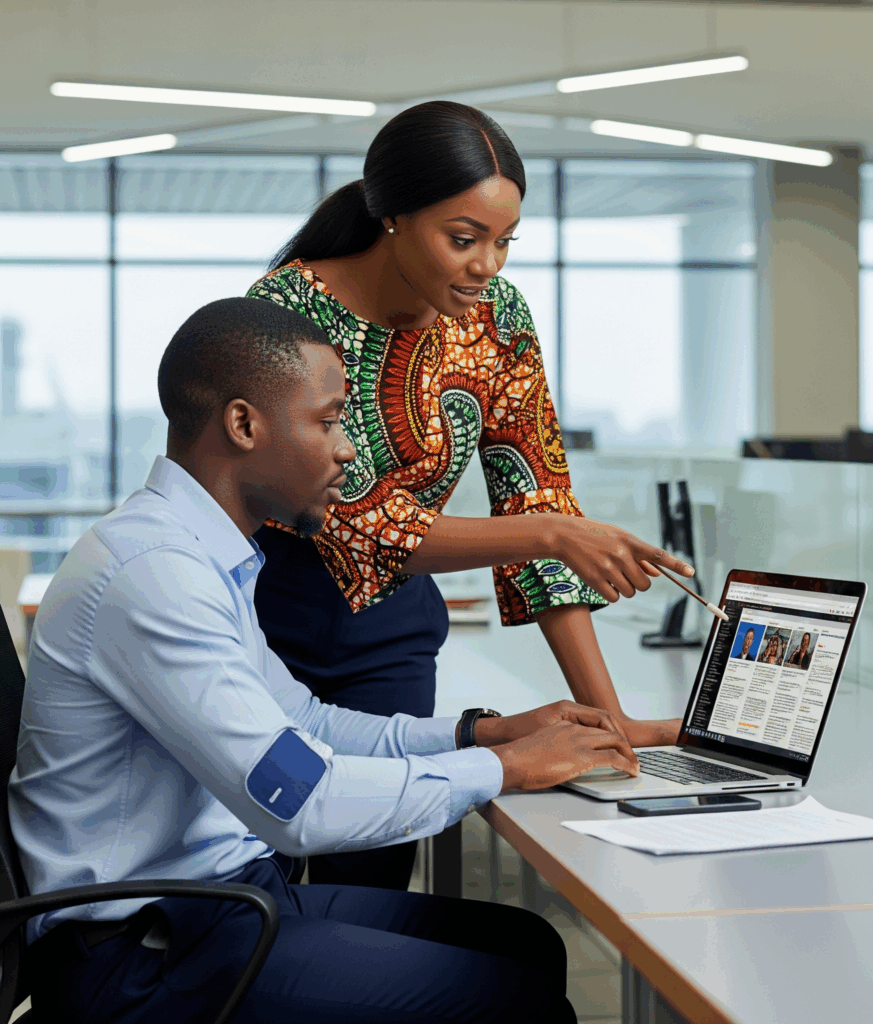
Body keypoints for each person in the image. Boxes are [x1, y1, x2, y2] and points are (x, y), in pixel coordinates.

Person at [10, 298, 640, 1024]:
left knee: (526, 944)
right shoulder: (154, 573)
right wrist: (508, 771)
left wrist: (478, 737)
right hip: (140, 956)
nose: (347, 448)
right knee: (514, 1000)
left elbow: (306, 722)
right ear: (245, 425)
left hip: (220, 901)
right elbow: (303, 804)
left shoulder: (199, 554)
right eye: (329, 419)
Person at [246, 100, 693, 890]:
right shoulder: (288, 310)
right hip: (264, 621)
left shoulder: (498, 320)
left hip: (393, 638)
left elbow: (534, 495)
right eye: (464, 239)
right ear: (392, 216)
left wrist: (608, 718)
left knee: (368, 889)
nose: (488, 264)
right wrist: (553, 532)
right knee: (257, 866)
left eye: (503, 241)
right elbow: (353, 525)